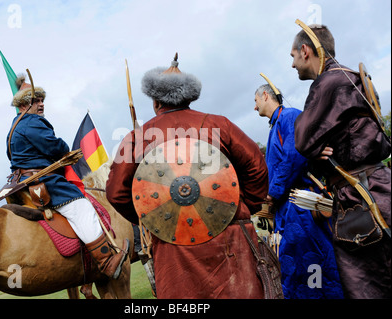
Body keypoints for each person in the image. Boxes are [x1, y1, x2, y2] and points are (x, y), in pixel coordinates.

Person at [106, 55, 269, 298]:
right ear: (188, 96)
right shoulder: (220, 124)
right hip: (230, 237)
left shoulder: (137, 138)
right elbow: (257, 167)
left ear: (155, 101)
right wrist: (242, 206)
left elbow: (116, 193)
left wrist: (155, 215)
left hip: (174, 247)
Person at [291, 24, 391, 299]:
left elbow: (302, 140)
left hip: (359, 197)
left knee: (367, 289)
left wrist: (315, 147)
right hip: (375, 187)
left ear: (305, 50)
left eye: (293, 56)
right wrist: (317, 149)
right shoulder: (352, 77)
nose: (293, 64)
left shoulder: (328, 82)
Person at [7, 75, 128, 279]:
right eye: (36, 100)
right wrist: (65, 148)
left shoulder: (14, 127)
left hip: (21, 183)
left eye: (42, 100)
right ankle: (106, 261)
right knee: (81, 206)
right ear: (23, 104)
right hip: (42, 181)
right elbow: (55, 147)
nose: (41, 104)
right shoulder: (32, 122)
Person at [254, 83, 343, 298]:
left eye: (255, 101)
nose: (255, 108)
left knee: (313, 261)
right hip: (288, 207)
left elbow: (293, 157)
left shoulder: (289, 116)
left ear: (265, 95)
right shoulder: (276, 124)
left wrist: (273, 193)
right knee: (293, 265)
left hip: (301, 204)